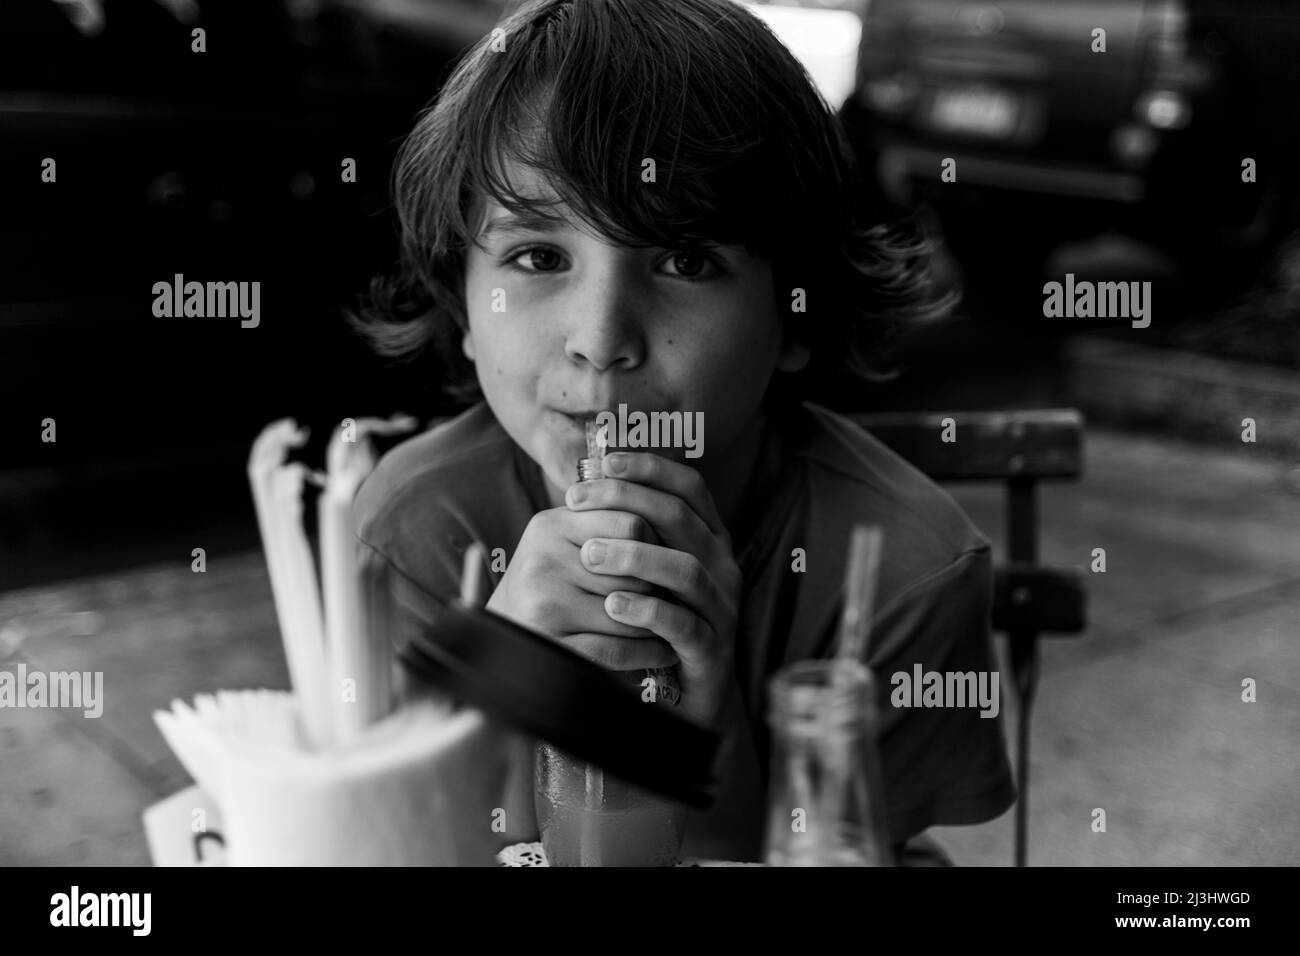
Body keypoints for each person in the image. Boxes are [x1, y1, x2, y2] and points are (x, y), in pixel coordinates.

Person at [350, 0, 1014, 863]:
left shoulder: (905, 572)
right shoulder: (411, 535)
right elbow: (399, 839)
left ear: (795, 314)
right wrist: (502, 682)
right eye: (539, 258)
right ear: (464, 306)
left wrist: (702, 731)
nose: (600, 339)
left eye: (686, 260)